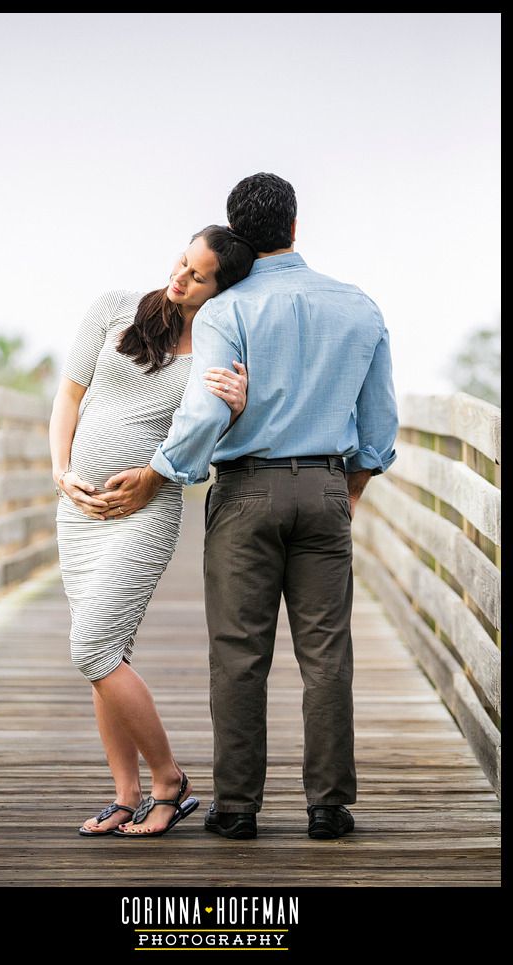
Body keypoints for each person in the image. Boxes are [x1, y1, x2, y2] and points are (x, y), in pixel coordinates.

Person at [102, 172, 399, 841]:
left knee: (239, 655)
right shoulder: (359, 306)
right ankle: (329, 805)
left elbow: (208, 405)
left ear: (240, 234)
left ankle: (237, 807)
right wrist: (346, 491)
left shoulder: (226, 311)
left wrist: (160, 473)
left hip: (245, 490)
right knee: (327, 655)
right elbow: (379, 427)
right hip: (325, 487)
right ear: (295, 228)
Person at [48, 225, 255, 837]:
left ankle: (169, 780)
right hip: (79, 509)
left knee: (93, 644)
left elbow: (219, 440)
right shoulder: (112, 309)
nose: (180, 278)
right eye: (181, 262)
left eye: (198, 275)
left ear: (221, 287)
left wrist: (238, 406)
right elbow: (68, 398)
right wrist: (61, 473)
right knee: (105, 652)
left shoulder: (214, 356)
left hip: (146, 513)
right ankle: (126, 793)